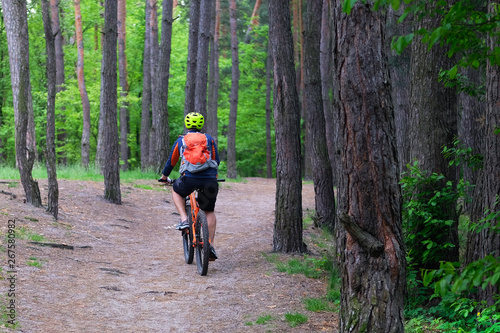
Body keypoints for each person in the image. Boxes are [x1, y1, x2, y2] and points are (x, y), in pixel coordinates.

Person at [159, 112, 220, 260]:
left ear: (187, 125)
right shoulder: (209, 139)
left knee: (176, 190)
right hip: (210, 181)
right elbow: (216, 160)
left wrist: (164, 177)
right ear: (201, 125)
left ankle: (184, 220)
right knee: (209, 211)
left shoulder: (181, 140)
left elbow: (171, 162)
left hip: (189, 179)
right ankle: (209, 245)